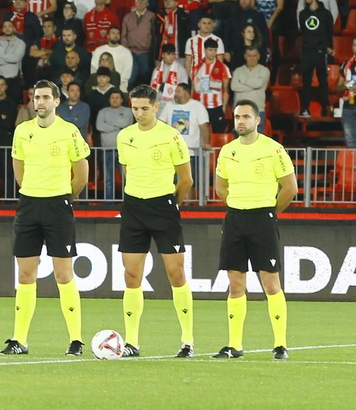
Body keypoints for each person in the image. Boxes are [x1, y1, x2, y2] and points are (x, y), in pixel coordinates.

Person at [3, 80, 91, 356]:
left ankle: (76, 340)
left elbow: (82, 174)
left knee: (63, 274)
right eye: (36, 97)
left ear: (56, 101)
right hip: (29, 205)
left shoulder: (69, 131)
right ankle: (19, 340)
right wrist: (33, 191)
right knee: (25, 274)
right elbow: (19, 170)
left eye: (44, 97)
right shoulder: (22, 131)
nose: (39, 102)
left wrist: (63, 197)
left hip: (57, 206)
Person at [213, 99, 298, 359]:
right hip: (235, 219)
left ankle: (280, 345)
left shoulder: (273, 149)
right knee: (235, 284)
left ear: (257, 120)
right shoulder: (227, 151)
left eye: (246, 117)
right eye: (237, 117)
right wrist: (239, 205)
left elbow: (290, 188)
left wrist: (270, 212)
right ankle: (234, 345)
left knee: (271, 283)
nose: (241, 121)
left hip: (262, 219)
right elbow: (220, 187)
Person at [116, 85, 195, 358]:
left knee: (176, 273)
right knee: (131, 276)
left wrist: (172, 204)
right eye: (135, 108)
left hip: (163, 206)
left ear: (156, 107)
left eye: (144, 108)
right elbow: (127, 171)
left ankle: (187, 340)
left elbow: (186, 180)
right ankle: (131, 342)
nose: (139, 113)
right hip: (133, 208)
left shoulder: (171, 136)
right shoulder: (124, 136)